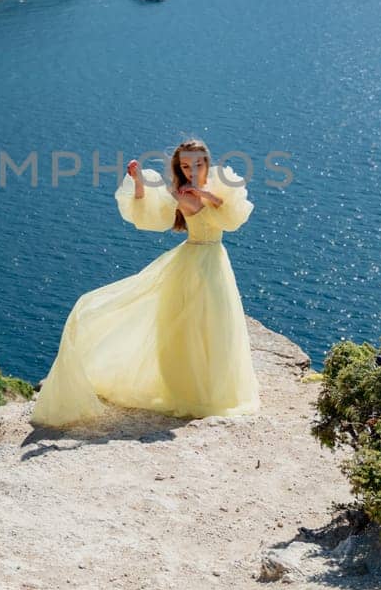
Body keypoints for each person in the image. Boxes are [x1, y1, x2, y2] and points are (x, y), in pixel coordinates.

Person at [30, 138, 260, 426]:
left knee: (215, 325)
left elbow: (232, 218)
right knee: (187, 327)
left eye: (198, 163)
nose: (192, 170)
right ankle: (190, 391)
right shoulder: (183, 194)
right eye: (186, 165)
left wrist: (207, 193)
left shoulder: (214, 188)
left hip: (215, 261)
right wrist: (138, 183)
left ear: (208, 162)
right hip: (195, 262)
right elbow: (153, 207)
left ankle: (215, 389)